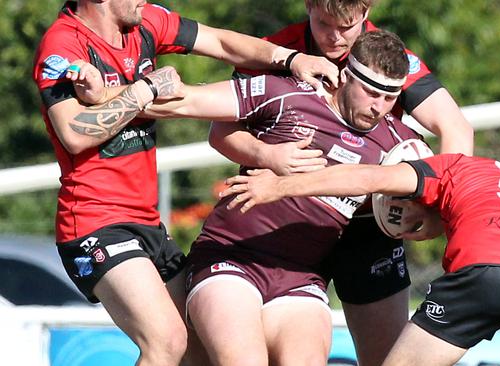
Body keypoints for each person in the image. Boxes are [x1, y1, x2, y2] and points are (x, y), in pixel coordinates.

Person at [31, 1, 338, 365]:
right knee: (167, 341)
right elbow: (74, 133)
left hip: (147, 223)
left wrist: (290, 59)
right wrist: (146, 88)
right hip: (96, 221)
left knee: (201, 350)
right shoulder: (63, 44)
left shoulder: (144, 22)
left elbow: (222, 43)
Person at [210, 2, 474, 364]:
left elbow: (456, 127)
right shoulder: (275, 50)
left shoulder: (387, 60)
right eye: (323, 24)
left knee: (389, 360)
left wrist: (438, 212)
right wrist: (266, 155)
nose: (334, 38)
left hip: (367, 228)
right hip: (282, 224)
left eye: (347, 27)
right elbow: (222, 128)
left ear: (366, 12)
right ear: (308, 6)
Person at [137, 29, 422, 366]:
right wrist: (266, 154)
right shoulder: (288, 94)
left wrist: (412, 218)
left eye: (389, 98)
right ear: (346, 76)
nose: (378, 107)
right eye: (370, 92)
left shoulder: (398, 145)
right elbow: (188, 102)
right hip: (232, 256)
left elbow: (437, 205)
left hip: (301, 277)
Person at [221, 154, 500, 366]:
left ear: (419, 196)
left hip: (481, 274)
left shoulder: (449, 168)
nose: (412, 233)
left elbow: (365, 179)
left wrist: (279, 186)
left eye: (411, 223)